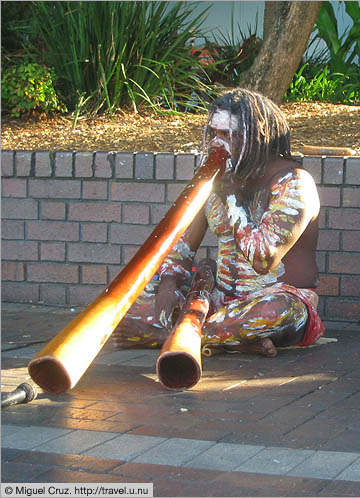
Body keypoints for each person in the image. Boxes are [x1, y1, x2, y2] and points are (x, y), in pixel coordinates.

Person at [114, 88, 324, 357]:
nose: (216, 143)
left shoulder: (293, 182)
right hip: (219, 301)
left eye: (227, 135)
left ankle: (174, 336)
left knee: (277, 311)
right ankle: (233, 340)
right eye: (213, 133)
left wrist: (231, 195)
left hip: (277, 302)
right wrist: (167, 286)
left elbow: (263, 259)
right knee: (126, 304)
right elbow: (181, 248)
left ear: (256, 138)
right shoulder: (217, 180)